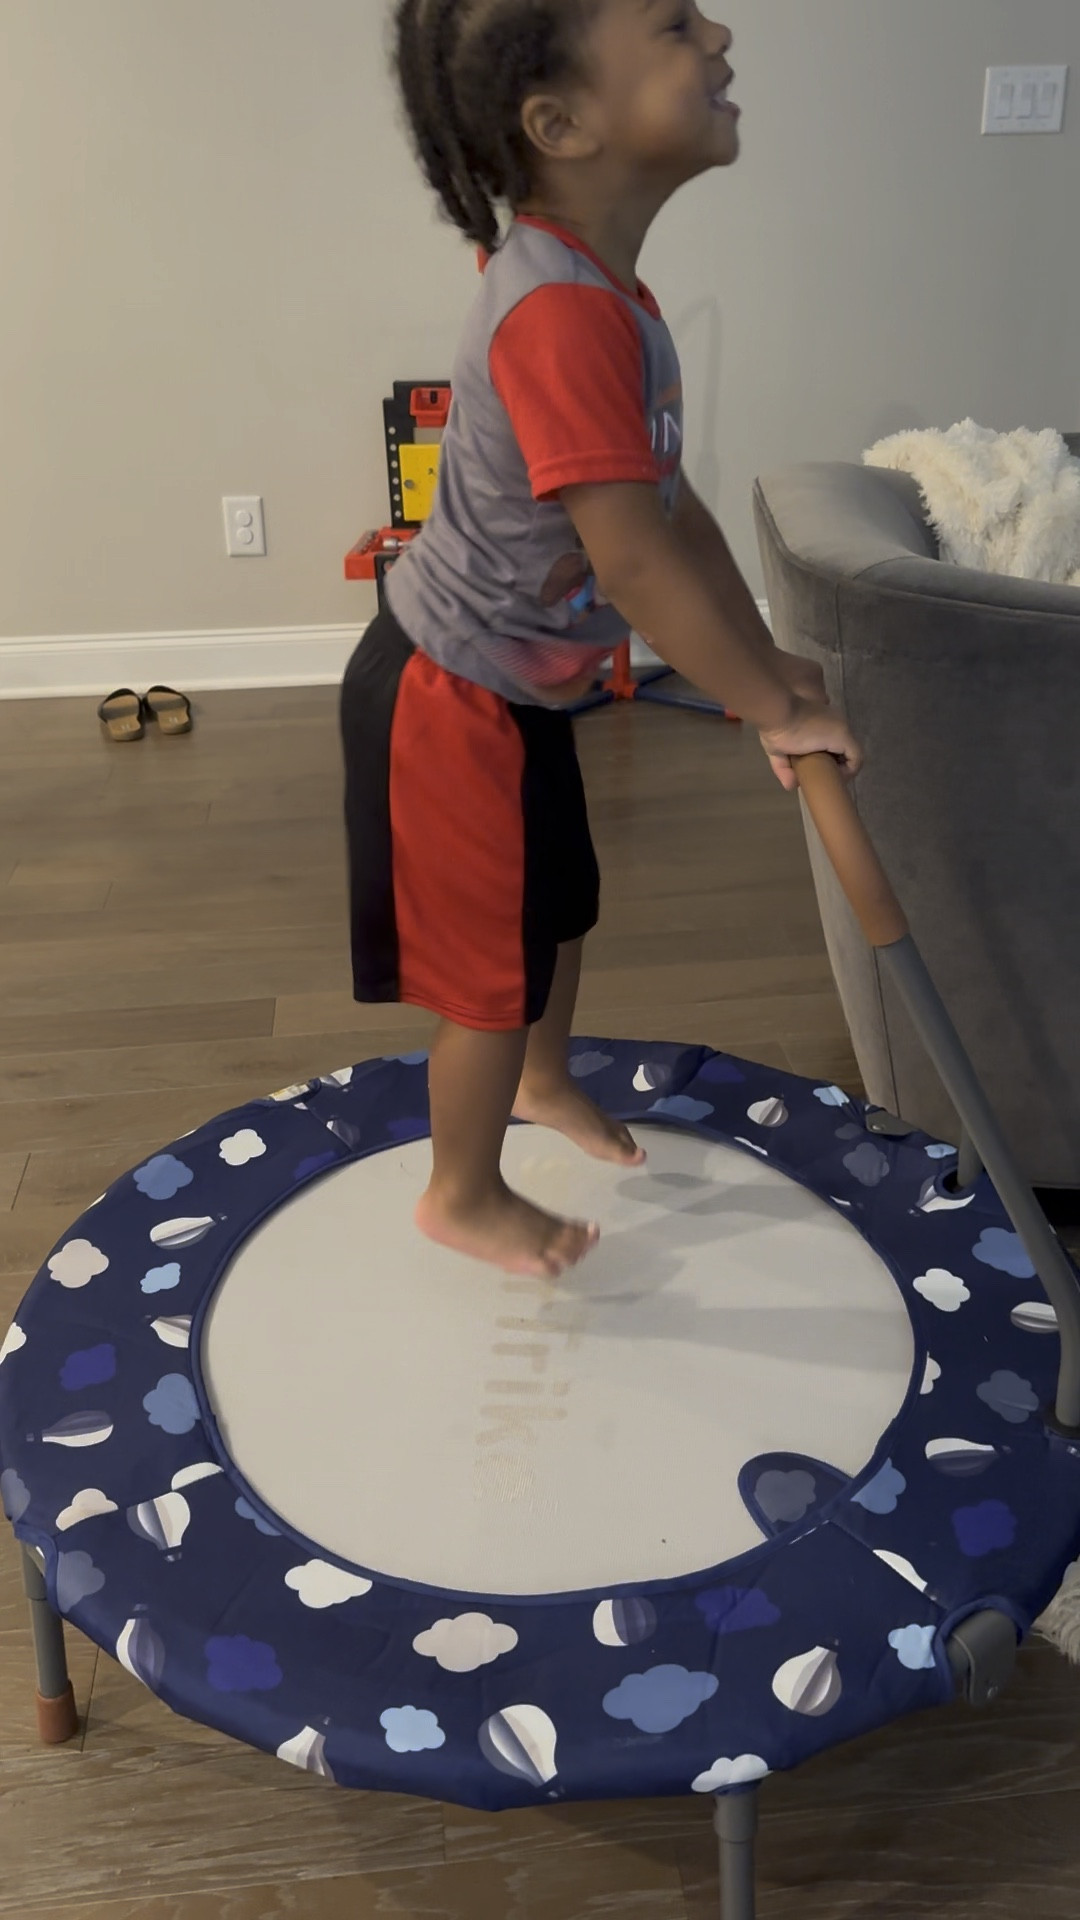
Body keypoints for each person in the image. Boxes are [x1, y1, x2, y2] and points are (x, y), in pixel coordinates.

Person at [341, 0, 863, 1280]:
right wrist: (765, 708)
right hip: (447, 694)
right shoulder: (561, 315)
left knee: (557, 906)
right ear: (559, 124)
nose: (721, 36)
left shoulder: (602, 292)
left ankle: (541, 1082)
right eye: (676, 26)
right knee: (488, 966)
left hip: (519, 692)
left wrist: (772, 668)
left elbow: (672, 516)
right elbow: (629, 562)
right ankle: (458, 1191)